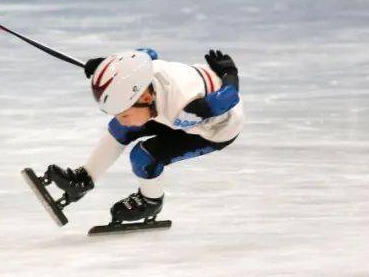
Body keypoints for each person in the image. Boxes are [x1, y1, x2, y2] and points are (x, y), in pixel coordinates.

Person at [45, 47, 243, 224]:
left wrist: (229, 71)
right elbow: (146, 53)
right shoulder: (144, 77)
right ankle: (83, 180)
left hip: (215, 129)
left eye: (125, 114)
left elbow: (227, 98)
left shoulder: (184, 109)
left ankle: (151, 200)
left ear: (147, 98)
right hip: (170, 105)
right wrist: (106, 68)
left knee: (144, 157)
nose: (121, 119)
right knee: (121, 128)